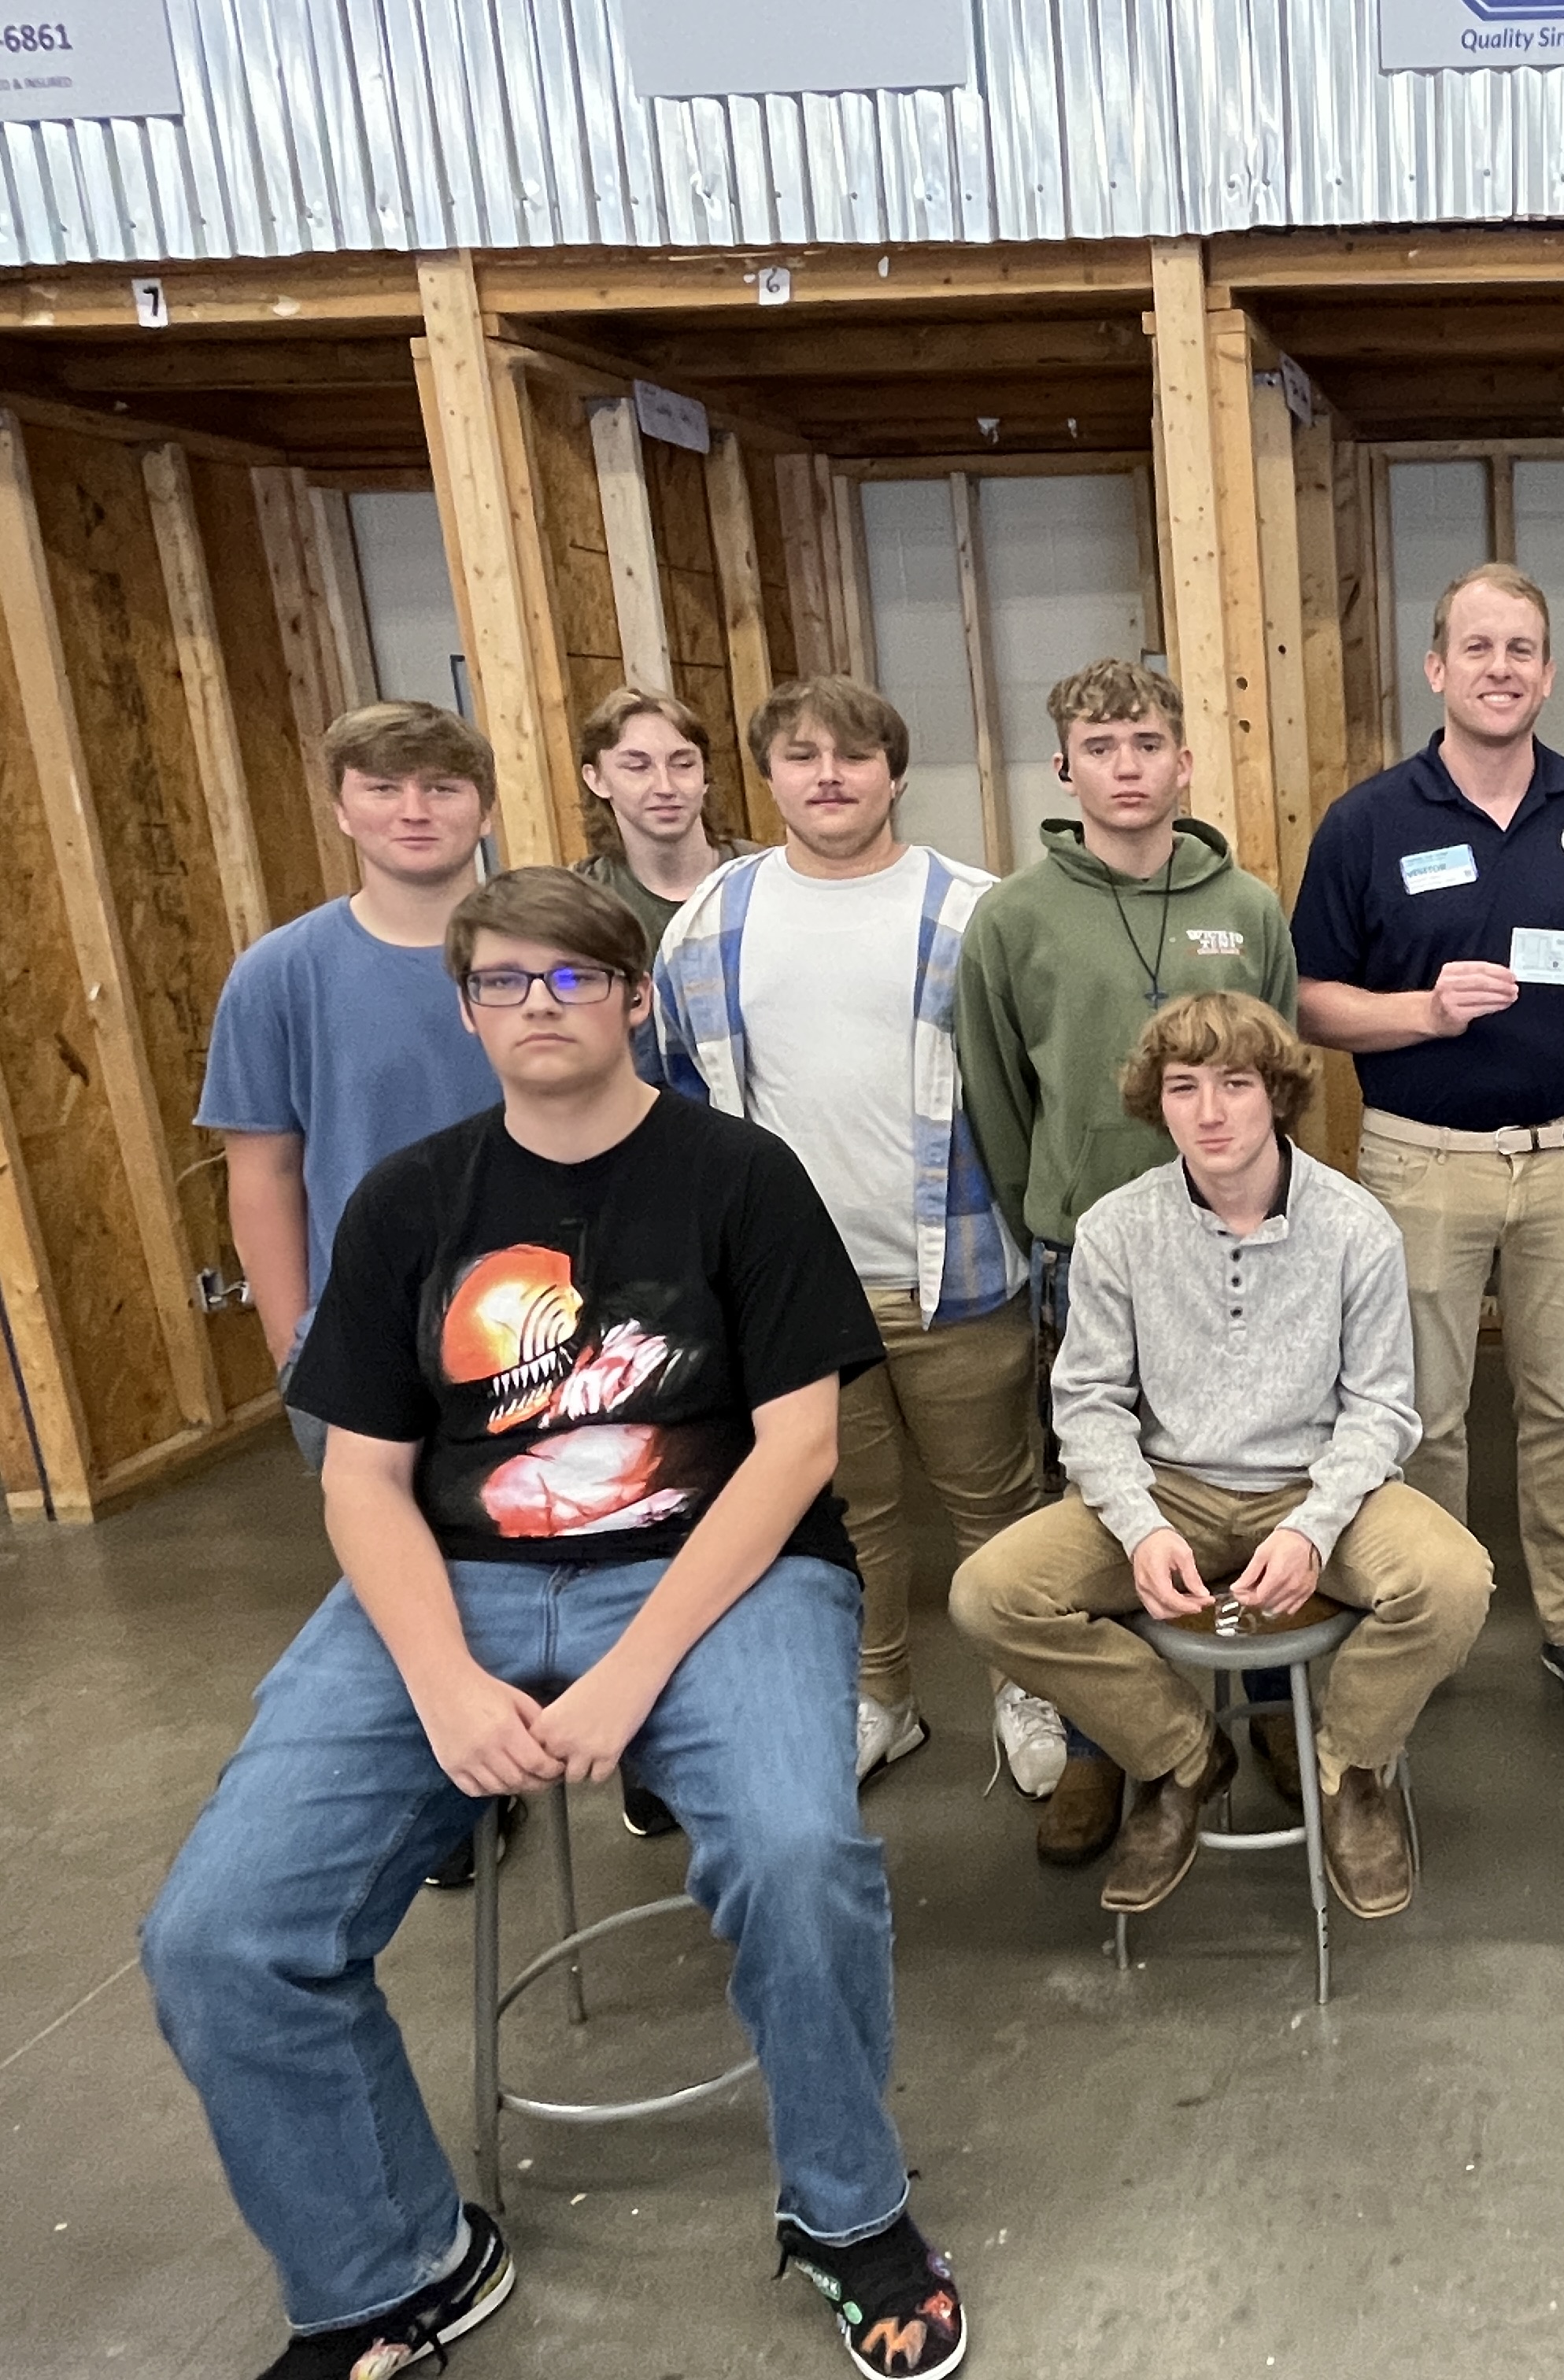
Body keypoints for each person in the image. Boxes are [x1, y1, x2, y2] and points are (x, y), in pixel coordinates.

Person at [142, 867, 967, 2380]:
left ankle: (849, 2210)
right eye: (506, 981)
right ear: (466, 1009)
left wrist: (632, 1676)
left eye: (573, 978)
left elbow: (796, 1451)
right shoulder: (409, 1200)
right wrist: (446, 1681)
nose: (540, 1004)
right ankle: (392, 2267)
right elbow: (364, 1478)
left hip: (723, 1571)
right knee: (220, 1932)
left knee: (800, 1854)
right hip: (455, 1580)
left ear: (634, 999)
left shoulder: (737, 1174)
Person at [950, 994, 1491, 1920]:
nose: (1209, 1112)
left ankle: (1349, 1768)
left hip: (1320, 1486)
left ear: (1276, 1095)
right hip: (1172, 1488)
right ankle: (1181, 1757)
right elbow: (1086, 1403)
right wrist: (1139, 1522)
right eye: (1183, 1087)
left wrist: (1317, 1528)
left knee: (1456, 1581)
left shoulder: (1356, 1225)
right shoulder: (1120, 1229)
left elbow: (1382, 1410)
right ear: (1155, 1103)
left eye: (1235, 1085)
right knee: (988, 1595)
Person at [1293, 564, 1564, 1730]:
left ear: (1547, 675)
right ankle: (1436, 1617)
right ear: (1437, 668)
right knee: (1426, 1414)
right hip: (1421, 1160)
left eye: (1522, 650)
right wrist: (1422, 1011)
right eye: (1478, 648)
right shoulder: (1369, 821)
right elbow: (1308, 1002)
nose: (1500, 669)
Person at [654, 675, 1048, 1799]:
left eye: (855, 755)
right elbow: (680, 1101)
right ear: (768, 776)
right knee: (848, 1511)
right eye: (802, 756)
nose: (829, 776)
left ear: (895, 773)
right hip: (790, 1295)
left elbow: (1025, 1084)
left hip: (957, 1276)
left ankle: (1026, 1688)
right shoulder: (708, 926)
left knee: (998, 1505)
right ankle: (884, 1697)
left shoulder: (980, 913)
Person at [957, 656, 1298, 1863]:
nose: (1128, 767)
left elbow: (1281, 1073)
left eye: (1149, 743)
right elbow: (995, 1090)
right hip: (1087, 1255)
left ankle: (1269, 1713)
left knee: (1256, 1472)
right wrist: (1047, 1214)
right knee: (1101, 1494)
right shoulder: (1012, 917)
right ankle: (1117, 1745)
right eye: (1101, 749)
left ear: (1184, 760)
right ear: (1065, 769)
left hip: (1235, 1249)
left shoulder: (1248, 907)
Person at [200, 700, 505, 1483]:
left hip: (553, 1322)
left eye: (441, 788)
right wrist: (295, 1343)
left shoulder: (554, 956)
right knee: (398, 1585)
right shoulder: (278, 977)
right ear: (340, 808)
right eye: (382, 788)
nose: (413, 811)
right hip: (369, 1343)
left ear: (485, 807)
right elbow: (261, 1172)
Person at [573, 686, 756, 1080]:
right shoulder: (577, 903)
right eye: (637, 766)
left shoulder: (763, 880)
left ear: (705, 775)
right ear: (597, 779)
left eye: (683, 763)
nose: (665, 786)